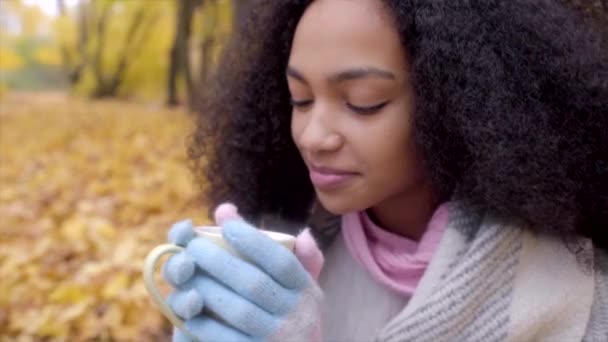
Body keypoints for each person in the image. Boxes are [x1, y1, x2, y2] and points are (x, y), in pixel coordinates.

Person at [161, 0, 608, 341]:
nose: (314, 136)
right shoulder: (294, 239)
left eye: (363, 102)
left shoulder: (568, 289)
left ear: (454, 101)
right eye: (300, 99)